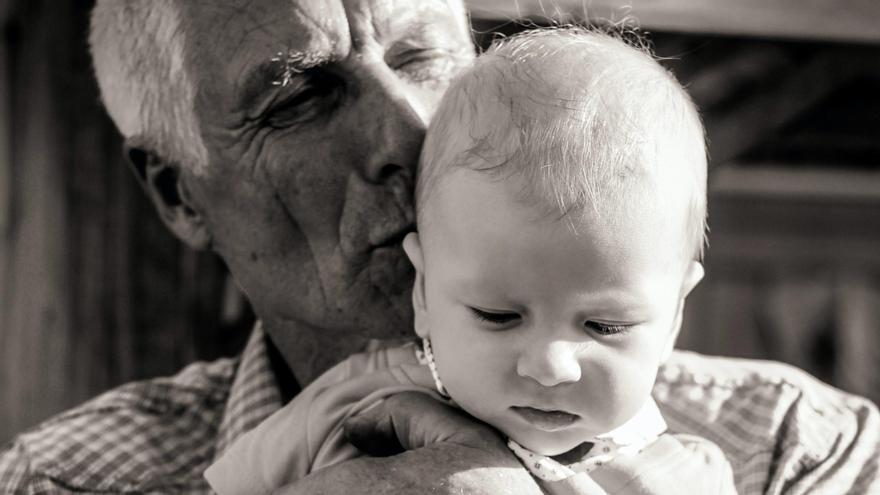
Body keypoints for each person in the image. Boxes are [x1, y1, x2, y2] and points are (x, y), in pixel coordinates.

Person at [0, 0, 877, 493]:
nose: (409, 129)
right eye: (301, 95)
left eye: (422, 58)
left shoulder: (802, 452)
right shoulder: (63, 480)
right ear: (178, 192)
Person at [205, 28, 738, 495]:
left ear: (673, 317)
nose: (552, 366)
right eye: (497, 316)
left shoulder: (693, 471)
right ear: (423, 293)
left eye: (606, 325)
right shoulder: (350, 406)